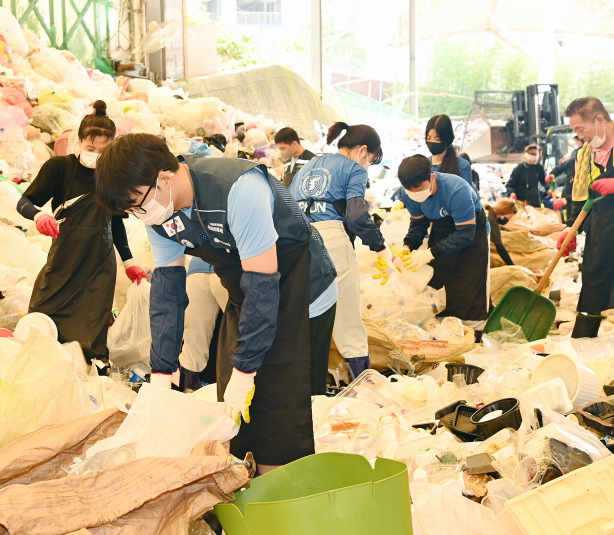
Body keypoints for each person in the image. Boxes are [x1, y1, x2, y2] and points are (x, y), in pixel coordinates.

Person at [95, 133, 337, 474]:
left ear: (163, 178)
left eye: (137, 204)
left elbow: (264, 287)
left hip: (299, 288)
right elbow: (168, 294)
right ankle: (249, 475)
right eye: (130, 211)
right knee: (233, 397)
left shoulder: (237, 188)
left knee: (278, 398)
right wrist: (161, 374)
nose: (139, 215)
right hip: (245, 293)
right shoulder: (159, 214)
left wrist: (246, 371)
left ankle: (286, 488)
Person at [16, 101, 147, 368]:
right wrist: (39, 216)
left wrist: (129, 262)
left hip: (99, 266)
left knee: (91, 332)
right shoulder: (59, 168)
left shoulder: (112, 177)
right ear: (79, 142)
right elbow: (24, 202)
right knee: (42, 319)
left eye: (103, 151)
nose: (96, 155)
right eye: (90, 148)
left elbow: (116, 223)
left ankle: (88, 373)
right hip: (63, 261)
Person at [289, 122, 392, 380]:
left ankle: (306, 385)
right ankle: (364, 384)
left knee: (306, 317)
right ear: (362, 150)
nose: (366, 166)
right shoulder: (354, 168)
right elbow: (356, 215)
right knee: (348, 322)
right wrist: (381, 248)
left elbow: (286, 207)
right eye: (369, 160)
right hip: (332, 239)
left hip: (299, 242)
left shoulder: (307, 166)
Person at [397, 155, 491, 332]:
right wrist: (407, 246)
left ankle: (475, 331)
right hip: (441, 229)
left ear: (432, 177)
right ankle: (444, 330)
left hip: (472, 233)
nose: (414, 193)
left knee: (470, 282)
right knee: (440, 279)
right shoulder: (409, 194)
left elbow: (465, 234)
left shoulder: (457, 190)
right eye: (409, 190)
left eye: (419, 188)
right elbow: (419, 224)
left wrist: (429, 253)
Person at [558, 97, 614, 338]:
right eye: (576, 132)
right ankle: (583, 344)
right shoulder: (584, 156)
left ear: (600, 120)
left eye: (581, 129)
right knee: (593, 286)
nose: (580, 137)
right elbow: (580, 197)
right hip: (601, 231)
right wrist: (570, 229)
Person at [178, 257, 228, 391]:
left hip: (197, 268)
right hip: (230, 267)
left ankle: (188, 394)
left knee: (193, 342)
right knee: (242, 337)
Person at [425, 115, 473, 187]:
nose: (432, 142)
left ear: (448, 140)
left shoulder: (461, 166)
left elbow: (465, 193)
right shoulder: (424, 166)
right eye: (428, 138)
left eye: (437, 139)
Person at [486, 199, 517, 266]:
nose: (507, 220)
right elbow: (499, 246)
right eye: (508, 217)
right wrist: (512, 265)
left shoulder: (489, 212)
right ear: (503, 212)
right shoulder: (491, 220)